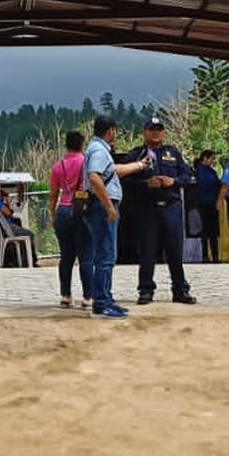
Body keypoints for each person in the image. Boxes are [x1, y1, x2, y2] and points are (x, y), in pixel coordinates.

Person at [124, 116, 198, 306]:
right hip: (147, 209)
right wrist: (146, 184)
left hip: (171, 207)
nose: (156, 132)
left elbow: (188, 175)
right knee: (147, 251)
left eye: (159, 129)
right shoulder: (136, 155)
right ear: (144, 132)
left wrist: (173, 181)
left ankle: (180, 290)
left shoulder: (172, 153)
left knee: (175, 251)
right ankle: (146, 290)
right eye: (152, 129)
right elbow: (125, 182)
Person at [84, 115, 151, 319]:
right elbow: (94, 177)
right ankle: (102, 303)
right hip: (103, 206)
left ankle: (106, 297)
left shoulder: (99, 149)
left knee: (105, 255)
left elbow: (112, 172)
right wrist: (109, 206)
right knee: (106, 256)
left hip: (102, 205)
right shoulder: (98, 150)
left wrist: (140, 165)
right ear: (111, 130)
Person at [49, 130, 92, 309]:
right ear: (82, 144)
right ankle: (88, 296)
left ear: (66, 144)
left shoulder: (58, 166)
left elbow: (52, 195)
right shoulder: (86, 163)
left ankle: (65, 295)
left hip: (63, 211)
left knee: (66, 256)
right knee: (86, 256)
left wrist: (52, 213)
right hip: (82, 211)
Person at [193, 150, 223, 263]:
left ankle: (214, 255)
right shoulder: (198, 171)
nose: (212, 161)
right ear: (205, 158)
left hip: (212, 203)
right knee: (206, 231)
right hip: (203, 203)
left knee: (213, 231)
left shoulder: (211, 172)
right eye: (211, 158)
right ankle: (205, 255)